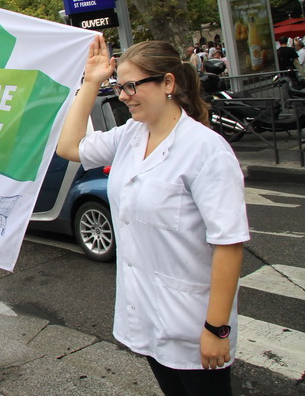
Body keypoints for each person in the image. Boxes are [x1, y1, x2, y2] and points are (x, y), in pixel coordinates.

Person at [57, 38, 249, 396]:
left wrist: (217, 328)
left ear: (168, 84)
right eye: (119, 86)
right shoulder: (131, 134)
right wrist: (91, 82)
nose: (124, 95)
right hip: (144, 313)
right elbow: (69, 146)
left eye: (131, 86)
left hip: (193, 323)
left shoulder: (206, 151)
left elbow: (229, 244)